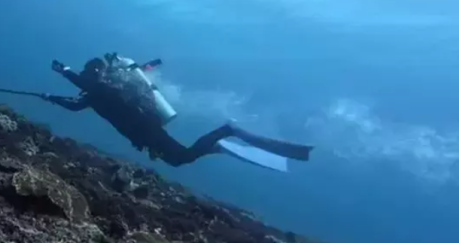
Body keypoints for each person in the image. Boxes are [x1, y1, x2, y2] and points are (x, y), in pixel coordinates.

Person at [42, 56, 313, 170]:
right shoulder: (97, 93)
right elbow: (74, 106)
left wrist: (64, 71)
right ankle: (216, 145)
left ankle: (226, 132)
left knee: (180, 158)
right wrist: (51, 98)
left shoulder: (102, 88)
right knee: (178, 159)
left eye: (88, 75)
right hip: (143, 131)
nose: (87, 78)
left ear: (93, 74)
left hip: (145, 129)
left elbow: (84, 87)